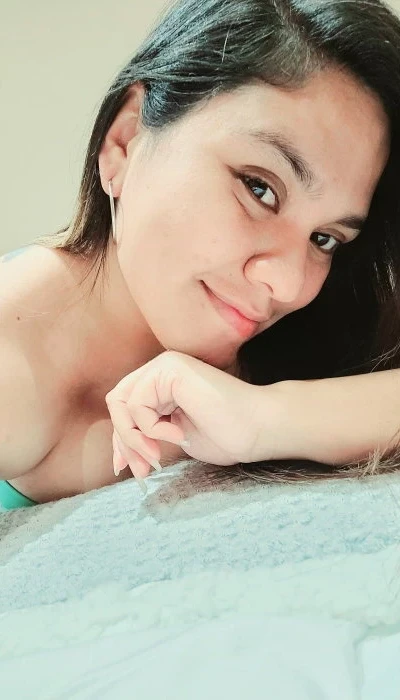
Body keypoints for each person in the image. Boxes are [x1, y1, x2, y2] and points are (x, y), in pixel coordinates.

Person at [1, 0, 400, 509]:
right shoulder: (15, 358)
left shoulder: (309, 338)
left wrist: (267, 417)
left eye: (325, 238)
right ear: (124, 140)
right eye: (259, 189)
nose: (287, 284)